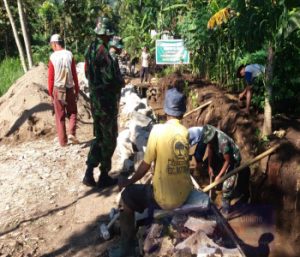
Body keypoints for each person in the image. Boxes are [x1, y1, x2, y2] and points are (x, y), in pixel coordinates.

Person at [115, 87, 194, 256]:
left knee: (126, 198)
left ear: (166, 109)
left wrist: (128, 182)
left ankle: (126, 248)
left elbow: (144, 166)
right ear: (182, 111)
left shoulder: (157, 130)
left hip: (163, 199)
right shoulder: (185, 132)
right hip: (183, 194)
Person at [82, 17, 122, 188]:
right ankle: (104, 174)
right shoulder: (104, 52)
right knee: (110, 138)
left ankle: (89, 172)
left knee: (99, 137)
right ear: (106, 34)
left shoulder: (89, 49)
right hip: (106, 103)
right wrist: (120, 81)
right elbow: (110, 78)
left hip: (96, 101)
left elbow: (86, 73)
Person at [202, 124, 242, 215]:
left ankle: (225, 208)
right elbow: (210, 149)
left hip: (233, 159)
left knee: (227, 186)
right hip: (221, 155)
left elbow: (228, 161)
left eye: (210, 140)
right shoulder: (210, 138)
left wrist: (219, 176)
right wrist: (210, 166)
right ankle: (214, 194)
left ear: (213, 136)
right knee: (214, 172)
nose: (209, 142)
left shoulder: (223, 142)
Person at [48, 34, 79, 147]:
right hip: (69, 89)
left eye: (52, 44)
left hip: (58, 90)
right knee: (73, 112)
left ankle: (63, 142)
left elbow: (51, 77)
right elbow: (74, 74)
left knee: (60, 115)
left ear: (55, 44)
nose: (52, 46)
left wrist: (51, 92)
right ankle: (72, 133)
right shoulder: (69, 54)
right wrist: (77, 88)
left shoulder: (53, 57)